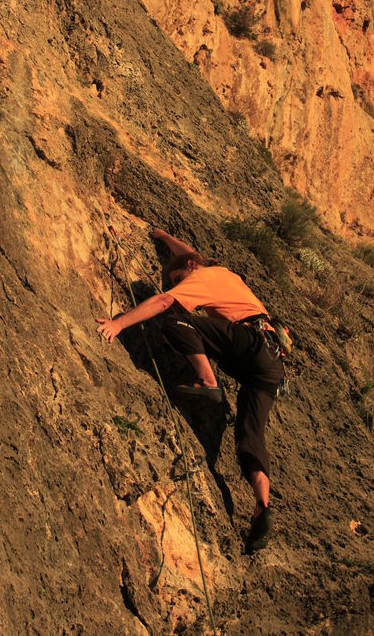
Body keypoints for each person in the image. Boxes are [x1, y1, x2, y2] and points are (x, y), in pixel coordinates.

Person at [96, 227, 283, 553]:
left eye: (180, 278)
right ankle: (262, 505)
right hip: (270, 365)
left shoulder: (202, 276)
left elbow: (168, 299)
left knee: (174, 318)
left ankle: (207, 381)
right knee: (249, 438)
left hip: (249, 343)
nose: (179, 286)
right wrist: (165, 238)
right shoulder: (221, 274)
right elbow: (189, 252)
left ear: (192, 268)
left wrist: (119, 323)